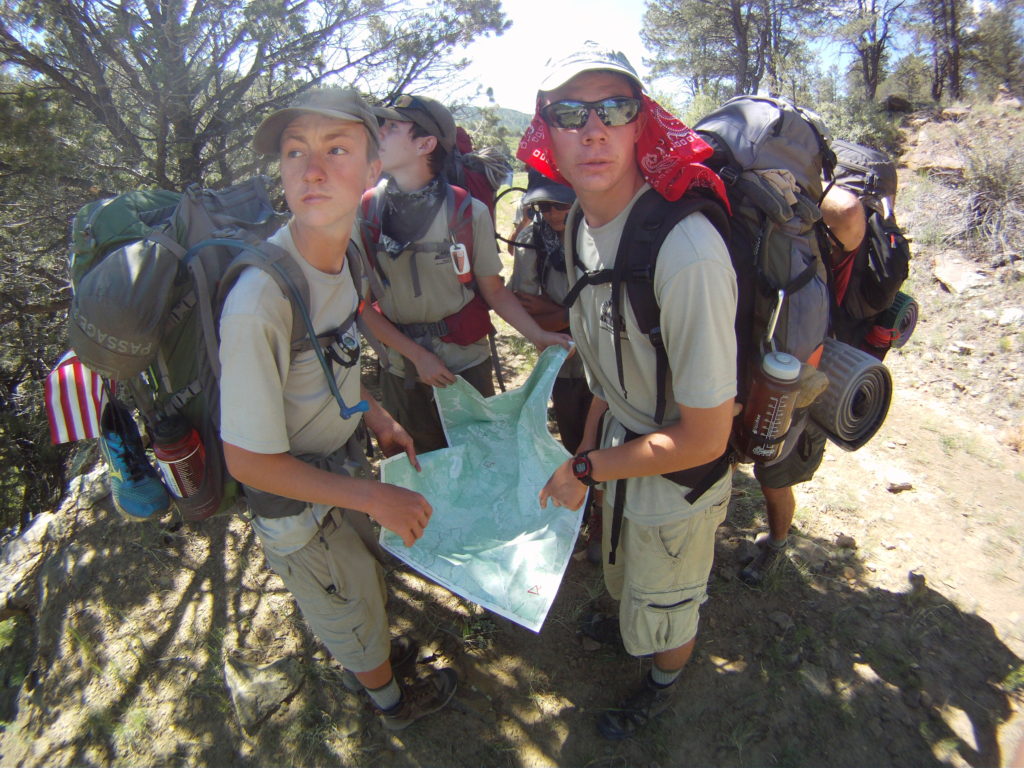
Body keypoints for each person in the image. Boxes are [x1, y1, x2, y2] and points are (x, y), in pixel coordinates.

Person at [218, 87, 457, 730]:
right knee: (344, 607)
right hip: (296, 507)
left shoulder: (343, 253)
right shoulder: (259, 301)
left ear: (373, 169)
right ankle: (391, 704)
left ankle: (375, 657)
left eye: (336, 149)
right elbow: (248, 461)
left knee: (357, 580)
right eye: (295, 151)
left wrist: (374, 414)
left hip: (340, 468)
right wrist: (376, 497)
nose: (312, 170)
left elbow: (338, 354)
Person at [532, 44, 738, 740]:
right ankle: (630, 623)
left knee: (669, 599)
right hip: (622, 452)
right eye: (570, 113)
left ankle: (663, 681)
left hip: (678, 477)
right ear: (547, 134)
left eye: (614, 109)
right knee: (627, 568)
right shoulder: (580, 229)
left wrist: (585, 467)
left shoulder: (687, 254)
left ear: (640, 124)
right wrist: (591, 450)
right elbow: (606, 364)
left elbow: (705, 437)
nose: (593, 130)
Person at [358, 94, 571, 453]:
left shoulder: (468, 212)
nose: (379, 133)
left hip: (465, 365)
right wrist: (417, 355)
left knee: (478, 460)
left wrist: (537, 335)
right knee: (415, 465)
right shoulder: (365, 212)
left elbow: (494, 290)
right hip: (401, 369)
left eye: (392, 126)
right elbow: (360, 306)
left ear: (425, 144)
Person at [740, 184, 868, 586]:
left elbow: (846, 211)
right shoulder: (795, 239)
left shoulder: (820, 244)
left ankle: (777, 545)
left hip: (808, 375)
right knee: (762, 459)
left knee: (773, 474)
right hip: (779, 364)